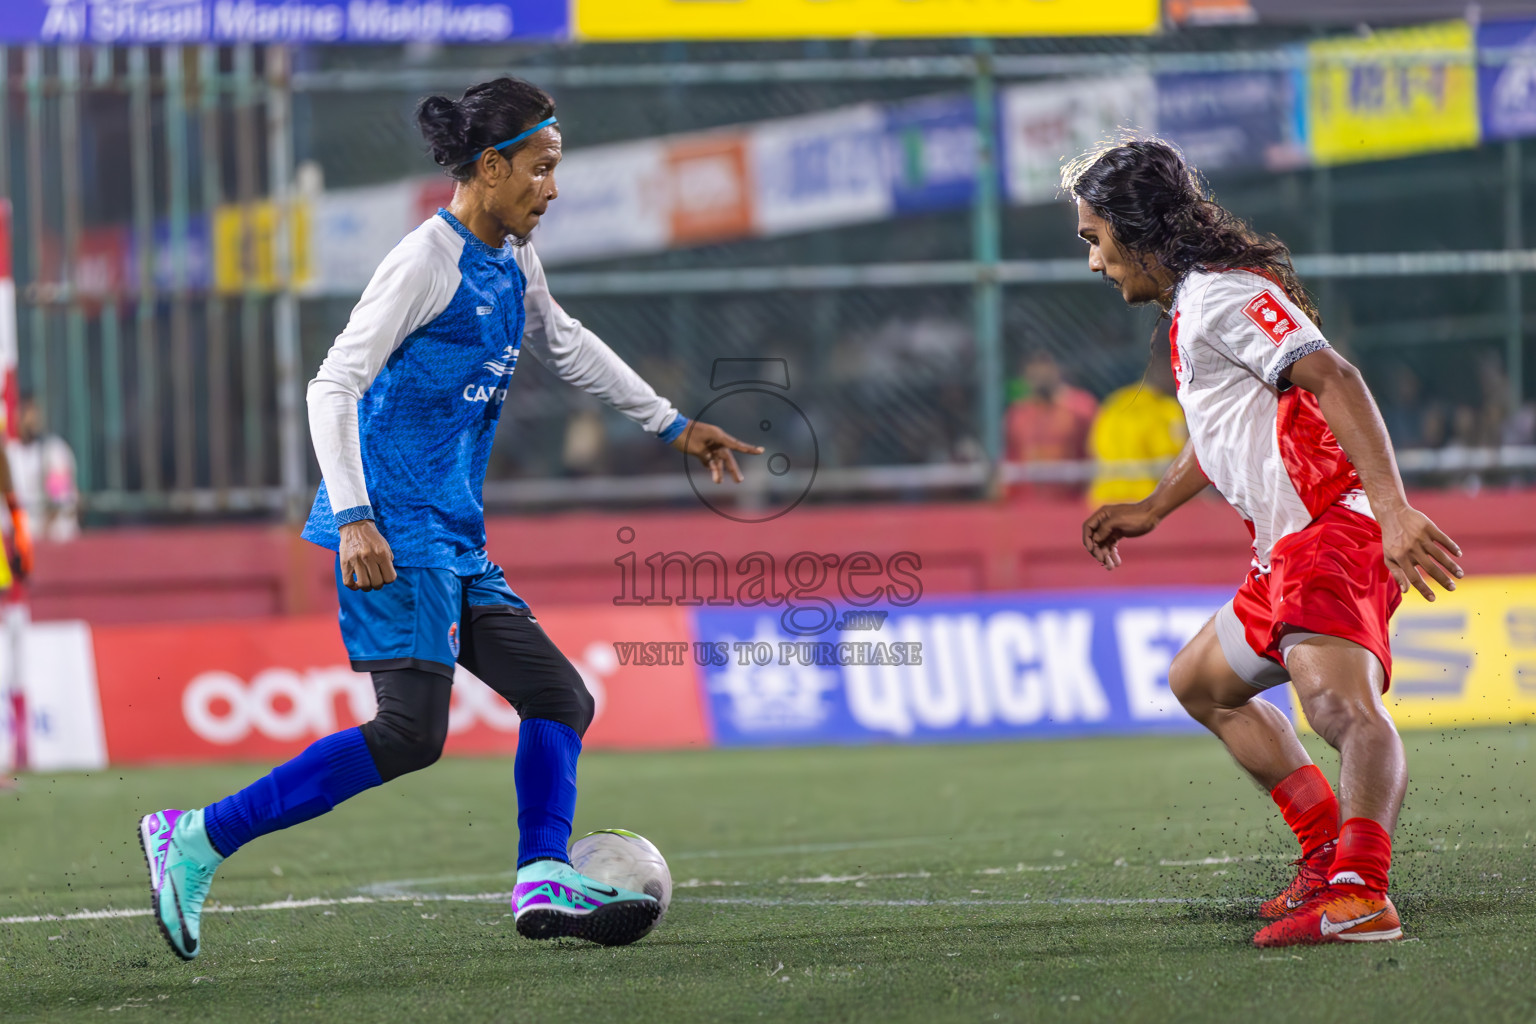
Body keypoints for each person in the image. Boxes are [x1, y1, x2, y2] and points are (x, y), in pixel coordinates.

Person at [137, 77, 760, 960]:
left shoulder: (512, 257)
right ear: (492, 166)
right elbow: (332, 384)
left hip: (455, 539)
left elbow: (567, 342)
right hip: (394, 532)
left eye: (556, 169)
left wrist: (671, 423)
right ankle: (195, 837)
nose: (553, 187)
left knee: (558, 695)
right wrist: (354, 517)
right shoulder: (424, 263)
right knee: (409, 734)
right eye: (540, 170)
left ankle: (543, 871)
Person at [1068, 140, 1462, 947]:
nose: (1094, 260)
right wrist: (1153, 507)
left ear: (1137, 227)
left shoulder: (1223, 295)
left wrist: (1391, 509)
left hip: (1334, 529)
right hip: (1285, 550)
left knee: (1338, 708)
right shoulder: (1195, 308)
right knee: (1200, 682)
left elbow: (1337, 378)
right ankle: (1326, 861)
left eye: (1094, 237)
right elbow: (1221, 431)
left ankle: (1361, 892)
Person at [1086, 343, 1187, 507]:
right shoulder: (1167, 410)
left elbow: (1093, 449)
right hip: (1146, 503)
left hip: (1102, 500)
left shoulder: (1113, 403)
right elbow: (1174, 463)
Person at [1003, 348, 1098, 499]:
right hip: (1026, 505)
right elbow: (1011, 464)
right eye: (1034, 368)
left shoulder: (1081, 408)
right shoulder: (1018, 415)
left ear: (1058, 369)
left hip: (1072, 502)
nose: (1040, 374)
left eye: (1045, 365)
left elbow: (1094, 456)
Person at [7, 394, 79, 542]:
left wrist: (44, 524)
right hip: (17, 530)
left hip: (50, 534)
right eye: (25, 413)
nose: (30, 420)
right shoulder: (9, 454)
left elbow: (62, 497)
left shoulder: (53, 451)